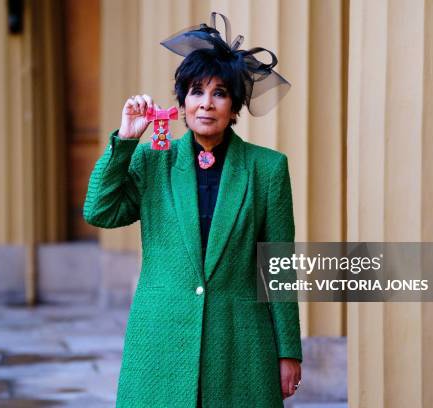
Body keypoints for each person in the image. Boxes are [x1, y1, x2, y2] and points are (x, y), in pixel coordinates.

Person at [83, 13, 302, 407]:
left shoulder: (267, 168)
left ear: (234, 104)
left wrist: (289, 351)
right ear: (182, 101)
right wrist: (125, 142)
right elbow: (100, 211)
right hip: (161, 339)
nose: (206, 104)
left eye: (219, 93)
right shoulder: (153, 161)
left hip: (240, 341)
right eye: (196, 91)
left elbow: (279, 267)